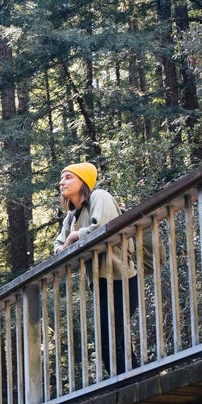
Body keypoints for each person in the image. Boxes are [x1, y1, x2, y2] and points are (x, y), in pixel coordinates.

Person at [53, 161, 138, 376]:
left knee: (109, 338)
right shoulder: (71, 217)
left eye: (68, 177)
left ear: (84, 181)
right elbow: (58, 248)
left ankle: (125, 384)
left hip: (122, 279)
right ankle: (137, 377)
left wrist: (74, 237)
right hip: (100, 284)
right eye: (62, 177)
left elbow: (103, 227)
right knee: (114, 338)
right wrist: (70, 238)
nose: (62, 182)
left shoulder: (100, 197)